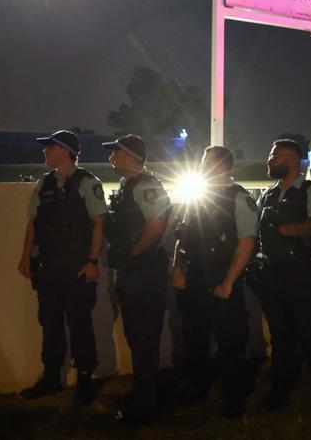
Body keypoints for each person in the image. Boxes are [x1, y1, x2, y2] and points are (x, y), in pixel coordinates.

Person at [253, 139, 311, 423]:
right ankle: (280, 394)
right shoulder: (267, 195)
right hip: (272, 278)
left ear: (292, 158)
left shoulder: (310, 190)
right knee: (281, 340)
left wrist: (288, 230)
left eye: (274, 155)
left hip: (299, 278)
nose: (269, 160)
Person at [17, 130, 107, 405]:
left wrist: (92, 261)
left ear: (66, 151)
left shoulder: (87, 182)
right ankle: (52, 377)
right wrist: (25, 256)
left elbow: (99, 223)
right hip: (48, 268)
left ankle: (84, 379)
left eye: (50, 147)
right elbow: (33, 224)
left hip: (78, 268)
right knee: (50, 323)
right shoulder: (44, 184)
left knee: (80, 323)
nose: (44, 151)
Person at [171, 145, 256, 421]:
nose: (200, 166)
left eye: (205, 161)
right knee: (194, 338)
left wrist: (229, 282)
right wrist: (178, 270)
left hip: (222, 281)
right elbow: (181, 237)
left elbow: (246, 242)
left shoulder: (238, 198)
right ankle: (198, 385)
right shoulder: (197, 196)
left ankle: (235, 399)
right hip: (194, 280)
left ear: (221, 165)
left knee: (230, 344)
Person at [102, 134, 169, 423]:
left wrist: (132, 254)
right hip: (134, 272)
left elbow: (156, 225)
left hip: (145, 273)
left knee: (143, 338)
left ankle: (145, 406)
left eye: (115, 152)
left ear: (130, 155)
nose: (111, 157)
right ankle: (143, 396)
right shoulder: (128, 186)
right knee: (136, 337)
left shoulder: (147, 186)